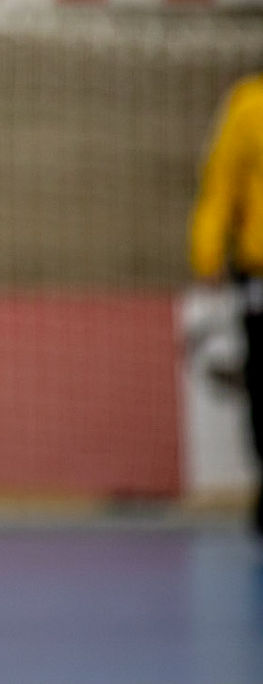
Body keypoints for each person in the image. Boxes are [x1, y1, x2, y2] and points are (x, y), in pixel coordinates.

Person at [189, 72, 263, 533]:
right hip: (258, 272)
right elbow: (221, 183)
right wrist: (209, 251)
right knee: (261, 384)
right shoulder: (248, 107)